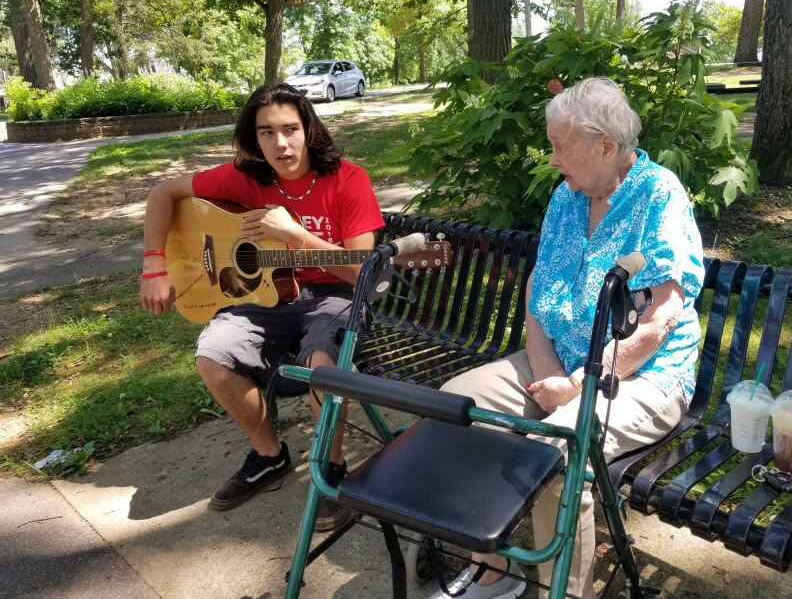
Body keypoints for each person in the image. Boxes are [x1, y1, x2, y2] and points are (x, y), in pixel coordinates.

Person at [430, 77, 705, 599]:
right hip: (558, 362)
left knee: (557, 450)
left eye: (561, 146)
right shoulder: (568, 196)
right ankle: (490, 568)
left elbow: (658, 322)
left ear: (606, 145)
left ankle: (562, 593)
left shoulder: (658, 195)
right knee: (455, 406)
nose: (552, 158)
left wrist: (579, 385)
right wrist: (547, 367)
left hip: (642, 377)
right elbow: (540, 290)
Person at [139, 82, 384, 531]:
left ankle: (330, 473)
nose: (280, 143)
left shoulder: (348, 179)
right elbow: (163, 194)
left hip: (338, 296)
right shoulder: (245, 178)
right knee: (213, 355)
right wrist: (154, 266)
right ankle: (270, 454)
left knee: (323, 362)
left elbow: (361, 271)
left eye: (290, 128)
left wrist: (294, 236)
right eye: (266, 132)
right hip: (266, 296)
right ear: (254, 138)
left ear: (309, 129)